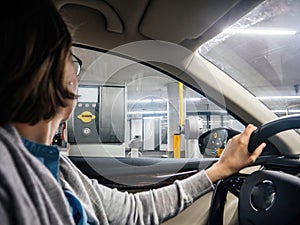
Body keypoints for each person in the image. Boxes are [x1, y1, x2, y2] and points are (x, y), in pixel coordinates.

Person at [0, 0, 266, 224]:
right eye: (70, 59)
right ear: (44, 68)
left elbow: (133, 210)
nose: (76, 74)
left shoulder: (57, 169)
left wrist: (219, 170)